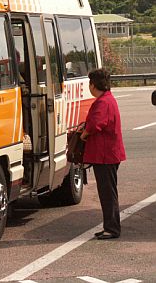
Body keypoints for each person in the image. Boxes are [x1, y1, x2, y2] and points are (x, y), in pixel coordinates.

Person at [80, 68, 126, 240]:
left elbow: (95, 124)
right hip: (109, 154)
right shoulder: (108, 99)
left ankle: (112, 228)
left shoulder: (102, 102)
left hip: (105, 155)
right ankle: (110, 226)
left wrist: (84, 134)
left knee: (107, 193)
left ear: (93, 85)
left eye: (89, 84)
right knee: (108, 192)